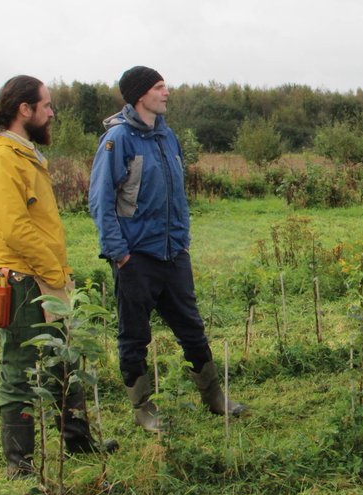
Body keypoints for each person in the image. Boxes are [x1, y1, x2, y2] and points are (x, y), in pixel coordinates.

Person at [0, 75, 117, 478]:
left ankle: (78, 443)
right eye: (47, 105)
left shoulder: (24, 154)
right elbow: (14, 228)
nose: (52, 113)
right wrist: (54, 273)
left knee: (62, 360)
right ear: (25, 109)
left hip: (44, 275)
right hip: (21, 280)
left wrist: (56, 274)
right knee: (19, 370)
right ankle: (19, 465)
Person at [88, 66, 245, 432]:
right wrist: (119, 253)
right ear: (140, 95)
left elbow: (178, 194)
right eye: (159, 87)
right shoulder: (118, 140)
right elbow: (100, 200)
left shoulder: (167, 136)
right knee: (134, 335)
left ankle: (214, 397)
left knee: (192, 328)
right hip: (136, 258)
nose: (166, 92)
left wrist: (182, 239)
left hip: (173, 254)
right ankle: (144, 409)